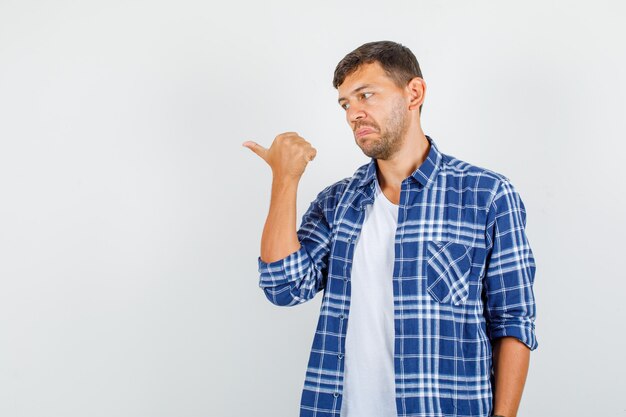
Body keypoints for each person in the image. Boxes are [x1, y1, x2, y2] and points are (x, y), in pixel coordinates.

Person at [243, 40, 537, 417]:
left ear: (414, 93)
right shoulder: (338, 203)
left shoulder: (487, 196)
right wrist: (285, 178)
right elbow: (283, 287)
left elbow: (513, 321)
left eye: (366, 95)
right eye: (346, 103)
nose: (354, 114)